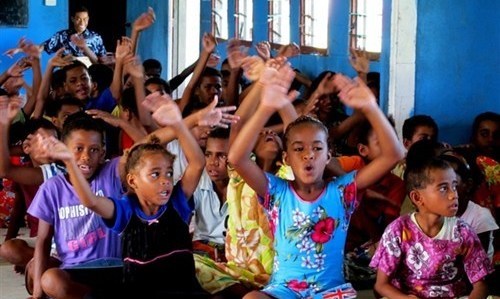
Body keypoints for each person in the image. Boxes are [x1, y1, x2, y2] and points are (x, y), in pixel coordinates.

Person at [228, 59, 404, 298]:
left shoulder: (342, 191)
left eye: (317, 149)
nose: (308, 155)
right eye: (299, 149)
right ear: (286, 158)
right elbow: (237, 158)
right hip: (284, 290)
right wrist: (266, 107)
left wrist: (370, 107)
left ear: (329, 155)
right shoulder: (277, 191)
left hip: (329, 292)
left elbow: (393, 154)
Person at [35, 93, 208, 298]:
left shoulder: (175, 201)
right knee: (48, 278)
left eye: (169, 173)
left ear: (103, 152)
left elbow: (194, 162)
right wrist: (70, 162)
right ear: (133, 181)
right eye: (155, 174)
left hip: (168, 286)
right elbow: (89, 201)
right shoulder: (126, 208)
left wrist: (180, 123)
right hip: (105, 278)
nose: (165, 180)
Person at [27, 112, 124, 299]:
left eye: (94, 149)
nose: (86, 156)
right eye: (78, 148)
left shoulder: (111, 172)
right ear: (64, 150)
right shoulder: (52, 188)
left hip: (114, 267)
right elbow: (43, 241)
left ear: (103, 153)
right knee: (49, 280)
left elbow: (145, 150)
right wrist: (38, 294)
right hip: (74, 270)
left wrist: (121, 123)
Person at [370, 156, 494, 299]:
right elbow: (381, 285)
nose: (454, 195)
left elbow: (481, 284)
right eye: (443, 188)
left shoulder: (462, 232)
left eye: (454, 186)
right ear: (417, 198)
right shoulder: (397, 231)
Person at [41, 6, 107, 65]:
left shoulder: (96, 37)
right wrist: (37, 50)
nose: (82, 23)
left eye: (85, 19)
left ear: (88, 19)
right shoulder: (61, 36)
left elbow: (102, 59)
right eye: (78, 19)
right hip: (66, 74)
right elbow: (45, 46)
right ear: (73, 19)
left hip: (90, 75)